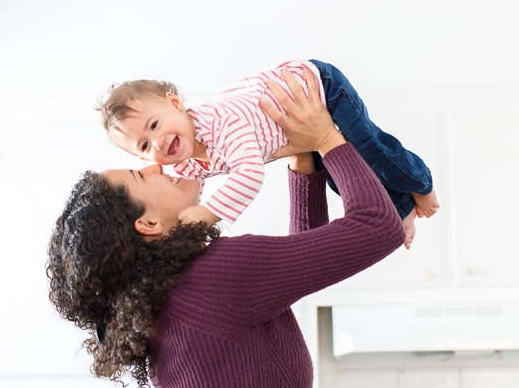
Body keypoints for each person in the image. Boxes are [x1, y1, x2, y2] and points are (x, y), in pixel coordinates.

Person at [46, 67, 405, 388]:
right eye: (140, 172)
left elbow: (304, 263)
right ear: (148, 223)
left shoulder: (178, 293)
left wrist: (305, 158)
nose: (154, 164)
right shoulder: (212, 277)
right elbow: (379, 227)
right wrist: (326, 138)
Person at [98, 59, 438, 249]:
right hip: (299, 132)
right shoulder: (185, 162)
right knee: (341, 180)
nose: (156, 143)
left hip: (318, 89)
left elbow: (249, 174)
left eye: (155, 125)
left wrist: (210, 213)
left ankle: (421, 181)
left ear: (176, 104)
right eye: (144, 146)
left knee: (371, 151)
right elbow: (187, 194)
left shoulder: (221, 124)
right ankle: (401, 209)